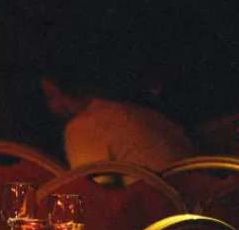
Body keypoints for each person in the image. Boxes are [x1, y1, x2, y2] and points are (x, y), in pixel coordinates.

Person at [40, 63, 193, 171]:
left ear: (66, 93)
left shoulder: (83, 126)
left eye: (50, 96)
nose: (50, 105)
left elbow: (90, 186)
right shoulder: (131, 110)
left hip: (161, 203)